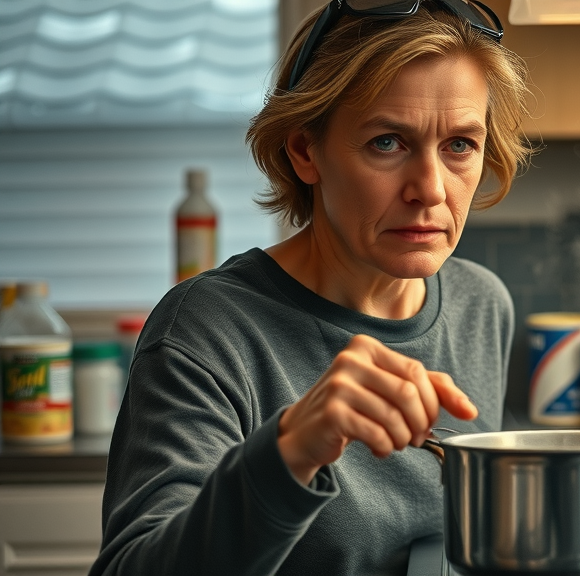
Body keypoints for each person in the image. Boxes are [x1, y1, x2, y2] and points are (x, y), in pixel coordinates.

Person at [89, 1, 531, 574]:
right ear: (305, 151)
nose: (431, 189)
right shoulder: (206, 331)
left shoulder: (481, 305)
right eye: (387, 142)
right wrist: (290, 450)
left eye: (459, 146)